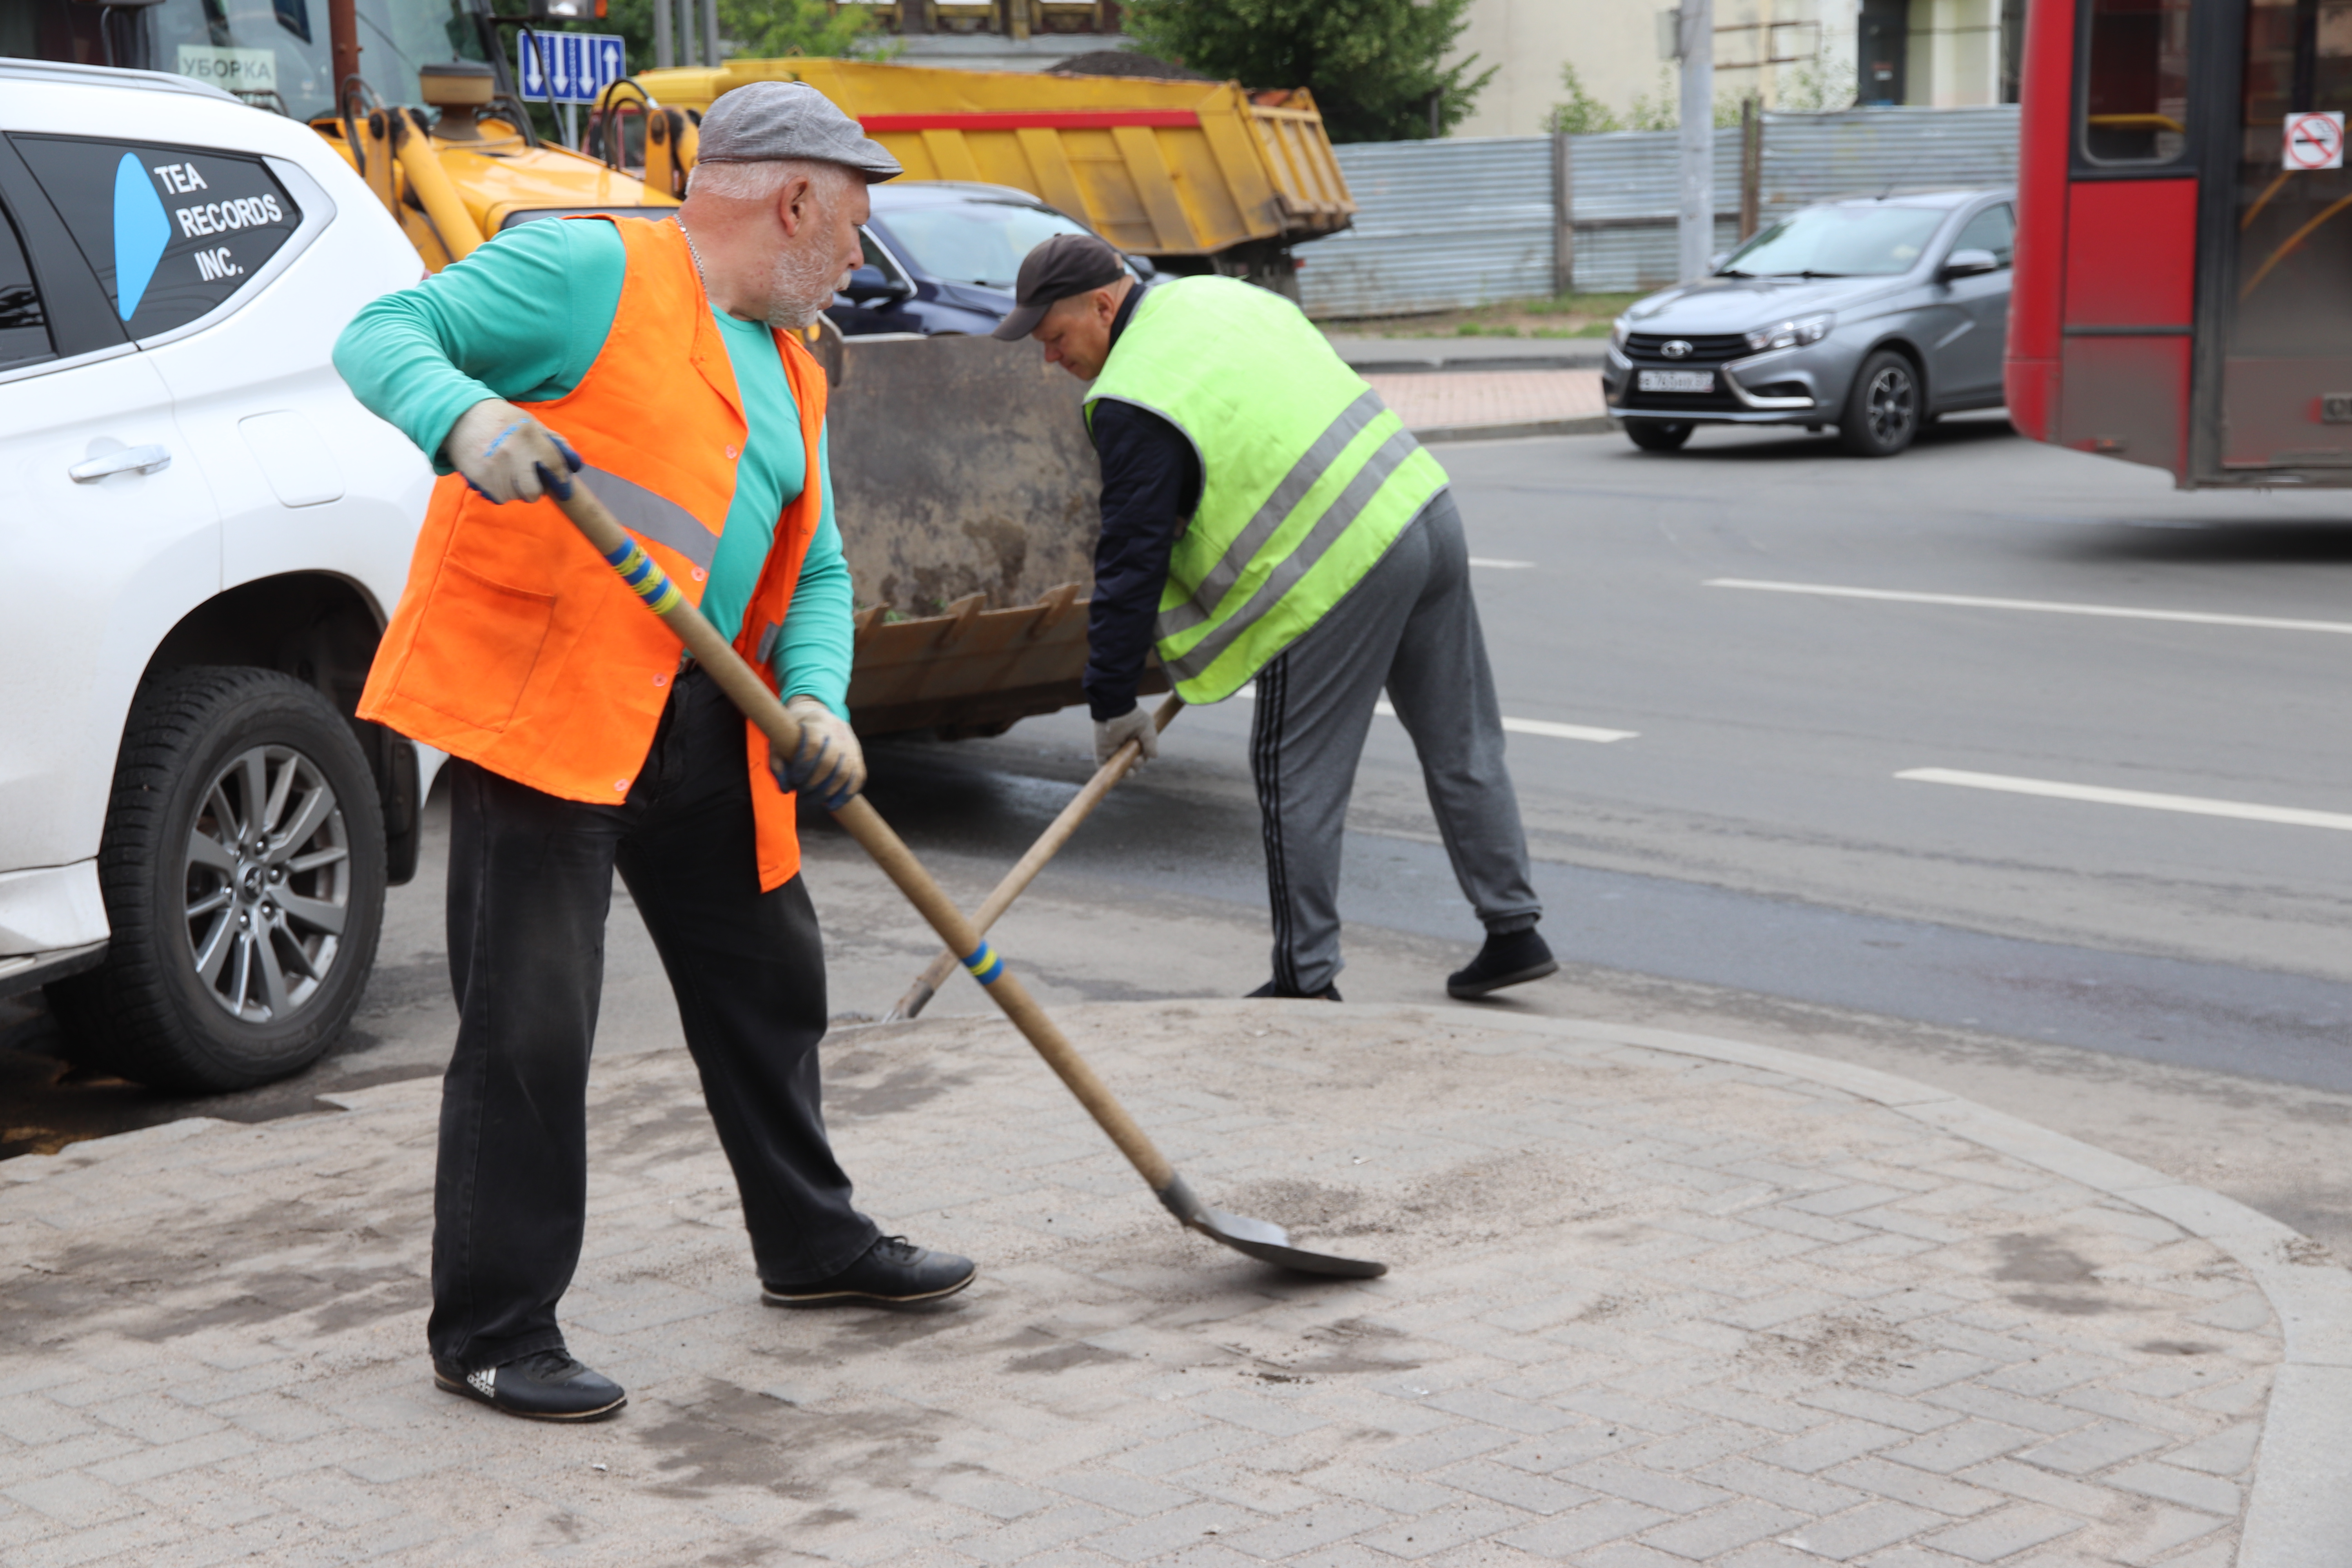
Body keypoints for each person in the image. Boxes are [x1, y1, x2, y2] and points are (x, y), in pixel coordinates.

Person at [334, 83, 974, 1425]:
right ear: (794, 200)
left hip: (708, 719)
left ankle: (812, 1244)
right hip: (555, 714)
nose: (860, 257)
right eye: (854, 223)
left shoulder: (795, 361)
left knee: (771, 978)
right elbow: (384, 331)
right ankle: (495, 1328)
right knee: (533, 1024)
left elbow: (818, 570)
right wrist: (467, 420)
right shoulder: (586, 272)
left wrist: (821, 703)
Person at [994, 235, 1557, 1005]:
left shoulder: (1133, 395)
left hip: (1333, 567)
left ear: (1103, 303)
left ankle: (1306, 976)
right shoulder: (1217, 297)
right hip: (1421, 504)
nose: (1050, 360)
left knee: (1296, 774)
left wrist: (1111, 699)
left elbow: (1133, 557)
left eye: (1055, 338)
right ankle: (1514, 926)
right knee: (1463, 738)